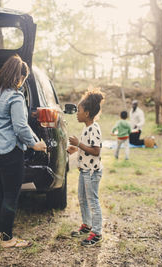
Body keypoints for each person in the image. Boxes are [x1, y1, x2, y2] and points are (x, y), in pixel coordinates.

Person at [0, 55, 47, 248]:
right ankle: (7, 239)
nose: (22, 84)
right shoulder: (15, 96)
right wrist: (35, 144)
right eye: (23, 80)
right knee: (10, 194)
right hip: (9, 152)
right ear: (19, 77)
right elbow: (20, 127)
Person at [67, 89, 105, 247]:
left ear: (87, 113)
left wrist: (78, 144)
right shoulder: (86, 128)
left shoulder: (94, 128)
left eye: (79, 110)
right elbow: (87, 148)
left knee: (92, 201)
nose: (76, 113)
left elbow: (96, 150)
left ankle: (97, 233)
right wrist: (76, 149)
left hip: (92, 172)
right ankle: (87, 225)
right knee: (82, 199)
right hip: (84, 171)